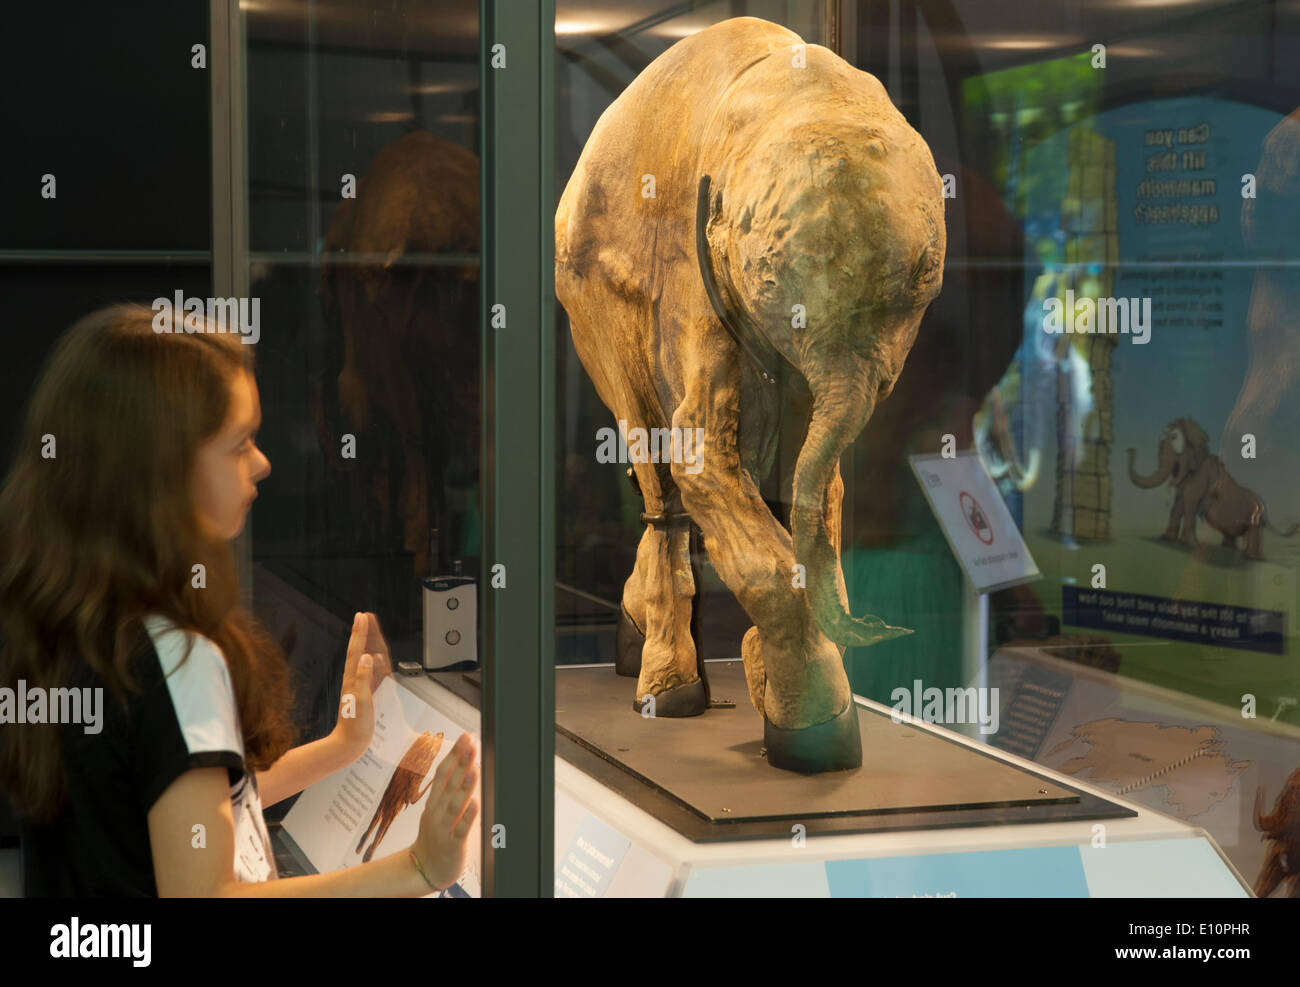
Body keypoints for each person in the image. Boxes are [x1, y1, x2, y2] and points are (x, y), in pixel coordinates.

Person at [0, 302, 478, 896]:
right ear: (161, 471)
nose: (262, 462)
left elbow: (179, 798)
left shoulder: (81, 618)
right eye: (238, 443)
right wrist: (419, 868)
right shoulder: (175, 656)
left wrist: (339, 748)